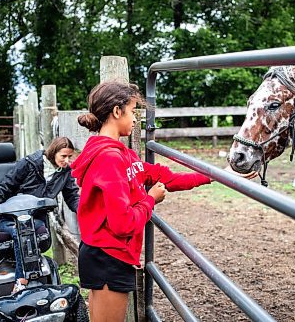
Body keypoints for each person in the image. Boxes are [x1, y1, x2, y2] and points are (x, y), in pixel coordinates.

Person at [71, 81, 256, 322]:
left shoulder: (122, 154)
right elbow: (123, 224)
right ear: (117, 112)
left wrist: (218, 176)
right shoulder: (109, 158)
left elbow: (166, 177)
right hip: (109, 256)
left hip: (105, 253)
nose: (136, 119)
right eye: (133, 111)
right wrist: (150, 199)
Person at [0, 136, 80, 293]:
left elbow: (72, 196)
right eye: (63, 156)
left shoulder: (65, 172)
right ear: (53, 152)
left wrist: (85, 210)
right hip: (11, 217)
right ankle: (22, 281)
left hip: (36, 219)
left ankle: (28, 281)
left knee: (28, 230)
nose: (67, 160)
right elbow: (6, 187)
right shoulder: (29, 164)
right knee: (21, 231)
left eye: (70, 156)